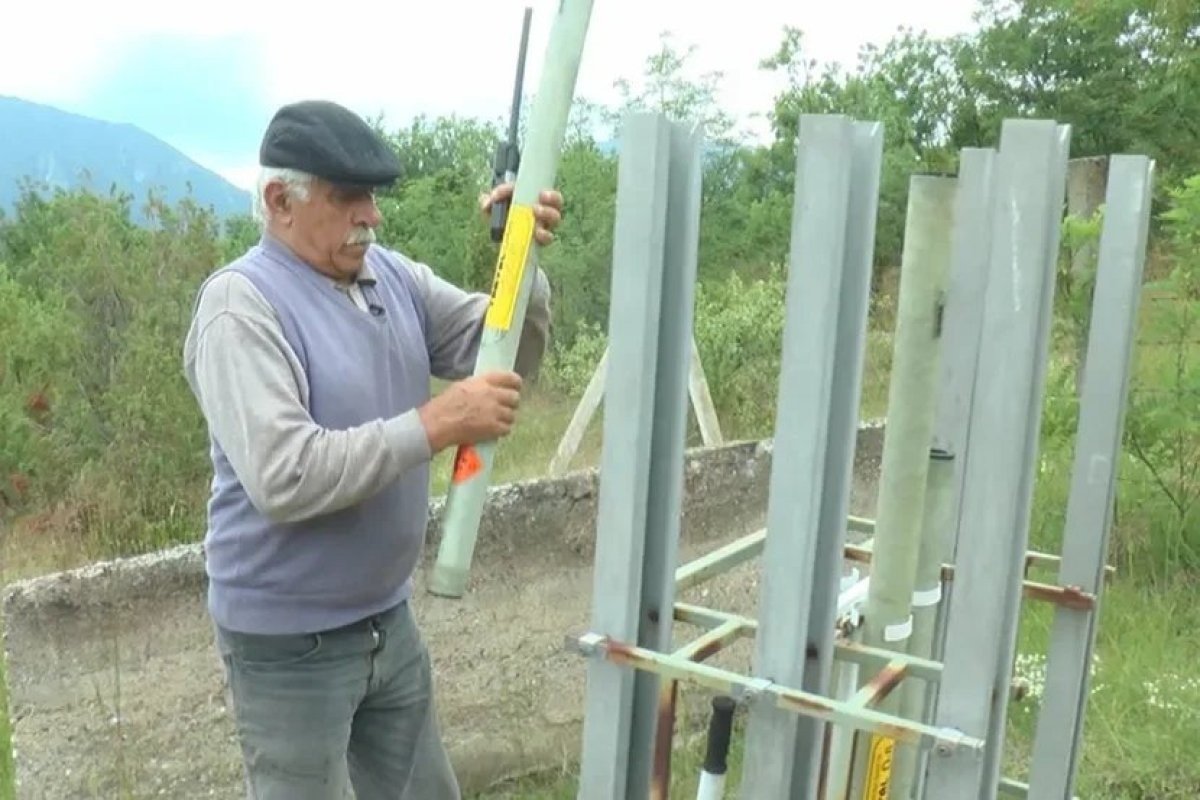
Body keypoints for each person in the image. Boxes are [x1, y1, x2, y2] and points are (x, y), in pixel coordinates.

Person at [182, 98, 562, 800]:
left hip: (388, 621)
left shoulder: (391, 276)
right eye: (347, 197)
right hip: (289, 647)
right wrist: (437, 423)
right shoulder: (241, 307)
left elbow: (502, 353)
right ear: (279, 201)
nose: (372, 215)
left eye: (373, 196)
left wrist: (523, 259)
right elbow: (286, 475)